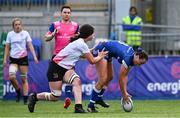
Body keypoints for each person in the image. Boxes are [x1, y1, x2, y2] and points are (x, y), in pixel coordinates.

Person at [28, 24, 108, 113]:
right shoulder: (81, 44)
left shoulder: (80, 43)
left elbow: (82, 54)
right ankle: (34, 97)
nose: (93, 36)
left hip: (66, 69)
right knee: (55, 96)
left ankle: (78, 107)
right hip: (56, 67)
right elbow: (92, 61)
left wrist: (94, 49)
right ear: (88, 35)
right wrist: (101, 56)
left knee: (77, 81)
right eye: (92, 34)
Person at [87, 41, 148, 112]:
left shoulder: (133, 59)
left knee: (110, 77)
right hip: (102, 50)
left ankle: (98, 98)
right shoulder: (128, 58)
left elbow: (125, 76)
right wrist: (124, 94)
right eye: (141, 62)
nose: (140, 65)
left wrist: (125, 93)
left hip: (109, 53)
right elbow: (121, 78)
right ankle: (90, 106)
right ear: (137, 56)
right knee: (103, 79)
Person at [44, 5, 79, 108]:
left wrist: (76, 37)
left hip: (69, 57)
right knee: (56, 94)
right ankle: (36, 97)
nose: (66, 14)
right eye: (65, 12)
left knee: (70, 77)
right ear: (61, 13)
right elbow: (46, 38)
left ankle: (68, 97)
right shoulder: (55, 25)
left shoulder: (75, 25)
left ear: (70, 14)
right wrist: (53, 35)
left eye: (68, 12)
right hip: (58, 57)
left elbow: (79, 39)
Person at [3, 18, 39, 104]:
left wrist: (35, 57)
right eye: (16, 25)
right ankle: (18, 90)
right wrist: (5, 59)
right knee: (12, 77)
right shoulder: (10, 34)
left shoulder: (25, 33)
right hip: (13, 59)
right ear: (13, 26)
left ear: (21, 25)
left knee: (24, 79)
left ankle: (25, 98)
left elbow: (30, 45)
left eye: (19, 24)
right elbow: (7, 47)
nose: (18, 26)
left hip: (23, 58)